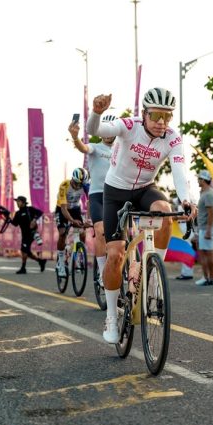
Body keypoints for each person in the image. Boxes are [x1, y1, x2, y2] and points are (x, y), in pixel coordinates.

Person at [87, 89, 195, 343]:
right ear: (144, 113)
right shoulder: (129, 126)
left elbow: (179, 170)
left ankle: (154, 275)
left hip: (144, 189)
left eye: (167, 117)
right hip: (114, 192)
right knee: (115, 255)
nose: (161, 122)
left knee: (165, 211)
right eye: (156, 115)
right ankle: (112, 315)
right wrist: (97, 112)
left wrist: (187, 199)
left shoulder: (172, 137)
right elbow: (97, 131)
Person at [70, 116, 115, 287]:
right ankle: (102, 272)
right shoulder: (95, 147)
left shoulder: (123, 149)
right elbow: (83, 147)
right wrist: (75, 137)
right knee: (100, 230)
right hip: (98, 196)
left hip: (118, 196)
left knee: (125, 234)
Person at [54, 167, 90, 277]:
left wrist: (87, 219)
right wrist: (72, 221)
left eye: (81, 184)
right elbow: (64, 208)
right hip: (62, 209)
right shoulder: (64, 185)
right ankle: (60, 261)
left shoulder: (86, 186)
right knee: (62, 233)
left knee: (82, 232)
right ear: (72, 179)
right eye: (77, 183)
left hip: (75, 209)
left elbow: (90, 203)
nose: (78, 186)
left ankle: (79, 254)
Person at [2, 197, 47, 274]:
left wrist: (34, 219)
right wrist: (8, 218)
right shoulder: (18, 213)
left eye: (18, 201)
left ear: (23, 202)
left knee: (24, 250)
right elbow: (15, 224)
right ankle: (41, 261)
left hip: (32, 233)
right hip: (24, 234)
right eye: (17, 201)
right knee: (27, 252)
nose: (17, 203)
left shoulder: (30, 209)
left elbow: (40, 212)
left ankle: (23, 268)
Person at [196, 170, 213, 286]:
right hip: (205, 227)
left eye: (199, 179)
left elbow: (211, 214)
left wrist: (208, 231)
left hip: (207, 228)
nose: (198, 180)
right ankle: (212, 277)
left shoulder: (208, 194)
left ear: (203, 180)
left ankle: (210, 278)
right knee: (207, 253)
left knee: (208, 254)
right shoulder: (205, 193)